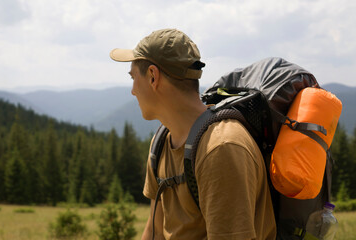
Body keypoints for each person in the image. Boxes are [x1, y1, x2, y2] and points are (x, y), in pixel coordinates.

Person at [110, 28, 276, 240]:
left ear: (153, 76)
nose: (132, 90)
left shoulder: (221, 147)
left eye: (133, 77)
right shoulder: (160, 143)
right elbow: (155, 231)